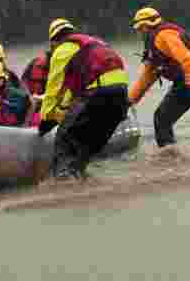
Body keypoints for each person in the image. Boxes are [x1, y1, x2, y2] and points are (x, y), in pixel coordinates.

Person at [40, 18, 129, 179]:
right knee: (86, 146)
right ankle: (81, 181)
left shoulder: (63, 50)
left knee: (64, 139)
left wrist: (46, 118)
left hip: (98, 93)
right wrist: (59, 115)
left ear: (54, 40)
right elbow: (70, 94)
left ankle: (62, 185)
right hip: (121, 96)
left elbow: (54, 88)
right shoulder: (94, 44)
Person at [127, 7, 190, 147]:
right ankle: (170, 153)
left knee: (162, 119)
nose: (140, 33)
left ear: (147, 26)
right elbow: (148, 76)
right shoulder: (153, 43)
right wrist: (130, 101)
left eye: (140, 29)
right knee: (162, 118)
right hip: (187, 79)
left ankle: (169, 157)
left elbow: (187, 60)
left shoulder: (164, 35)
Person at [21, 51, 51, 128]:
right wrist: (29, 95)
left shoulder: (61, 68)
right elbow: (23, 80)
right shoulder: (35, 63)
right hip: (30, 98)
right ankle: (25, 127)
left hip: (47, 101)